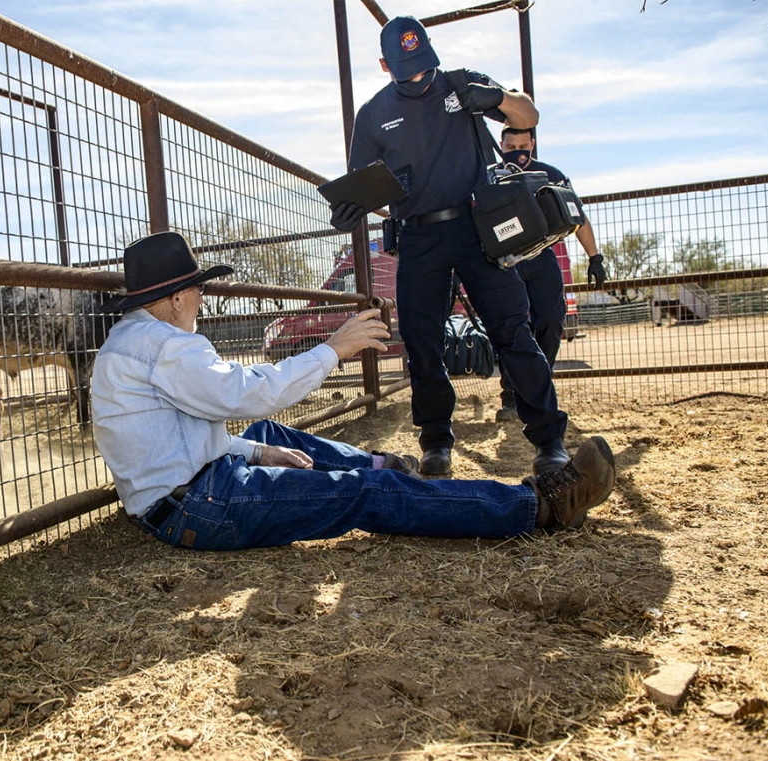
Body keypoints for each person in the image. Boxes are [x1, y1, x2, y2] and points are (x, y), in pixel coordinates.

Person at [90, 231, 616, 552]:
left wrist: (259, 450)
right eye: (199, 291)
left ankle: (386, 470)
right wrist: (332, 350)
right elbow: (246, 394)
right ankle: (536, 506)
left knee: (267, 434)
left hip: (183, 495)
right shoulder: (166, 346)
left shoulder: (133, 342)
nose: (202, 300)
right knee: (361, 496)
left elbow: (183, 433)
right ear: (179, 296)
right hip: (204, 505)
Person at [329, 15, 571, 477]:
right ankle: (436, 442)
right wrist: (352, 207)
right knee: (422, 342)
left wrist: (496, 97)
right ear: (385, 65)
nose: (419, 76)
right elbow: (363, 183)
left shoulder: (461, 84)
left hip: (477, 228)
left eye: (424, 64)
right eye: (407, 69)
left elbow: (528, 116)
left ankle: (548, 439)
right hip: (418, 237)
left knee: (512, 331)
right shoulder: (373, 114)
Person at [493, 126, 606, 421]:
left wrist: (595, 257)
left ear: (532, 143)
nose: (517, 151)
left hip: (543, 258)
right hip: (506, 263)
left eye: (523, 145)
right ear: (501, 144)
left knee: (552, 320)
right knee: (512, 329)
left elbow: (577, 216)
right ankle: (511, 396)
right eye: (510, 145)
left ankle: (538, 387)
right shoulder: (490, 176)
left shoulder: (551, 175)